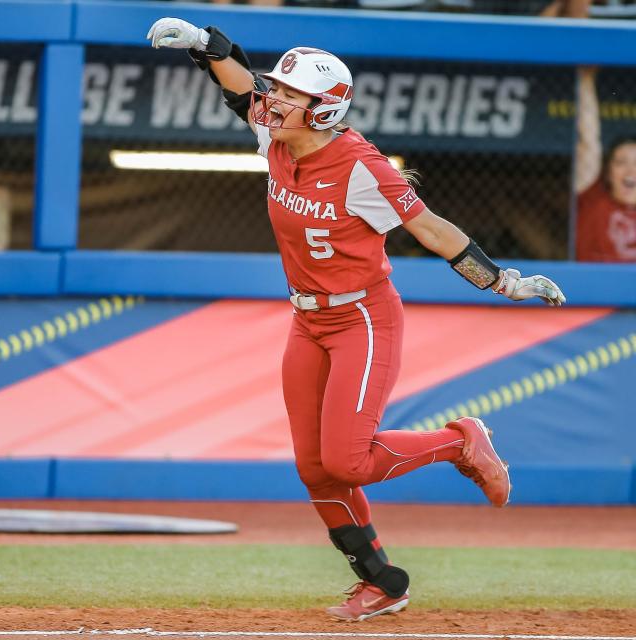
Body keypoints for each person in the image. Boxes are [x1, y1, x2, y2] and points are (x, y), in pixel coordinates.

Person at [146, 18, 566, 622]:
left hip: (361, 320)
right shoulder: (276, 133)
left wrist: (503, 281)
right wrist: (206, 46)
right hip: (306, 322)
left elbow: (430, 229)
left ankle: (460, 442)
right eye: (280, 91)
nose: (275, 102)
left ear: (323, 111)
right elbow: (242, 89)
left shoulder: (361, 167)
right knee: (314, 467)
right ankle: (382, 582)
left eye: (293, 96)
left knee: (347, 459)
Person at [574, 66, 636, 262]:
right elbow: (588, 142)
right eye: (620, 162)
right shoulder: (594, 199)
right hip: (594, 290)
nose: (630, 170)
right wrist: (585, 80)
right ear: (608, 173)